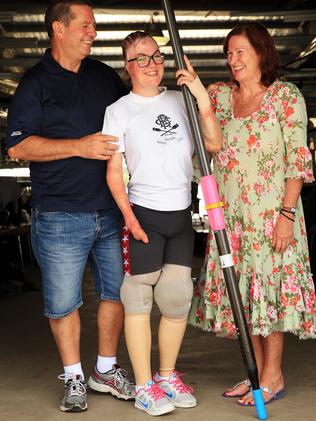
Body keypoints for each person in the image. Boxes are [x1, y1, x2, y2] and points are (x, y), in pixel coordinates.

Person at [5, 0, 134, 413]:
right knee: (63, 303)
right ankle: (75, 377)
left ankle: (106, 370)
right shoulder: (34, 83)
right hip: (60, 214)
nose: (92, 32)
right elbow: (18, 145)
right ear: (58, 29)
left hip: (111, 211)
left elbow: (133, 115)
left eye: (93, 26)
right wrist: (79, 146)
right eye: (85, 25)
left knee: (117, 293)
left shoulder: (104, 76)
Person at [189, 22, 316, 406]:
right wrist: (198, 92)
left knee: (269, 297)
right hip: (232, 219)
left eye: (241, 51)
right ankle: (256, 374)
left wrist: (287, 214)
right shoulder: (220, 97)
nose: (233, 59)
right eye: (229, 53)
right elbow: (204, 148)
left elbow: (297, 159)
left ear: (262, 52)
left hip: (272, 216)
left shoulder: (284, 96)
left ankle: (273, 375)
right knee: (245, 299)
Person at [104, 31, 222, 416]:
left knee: (175, 299)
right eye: (141, 58)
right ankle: (142, 387)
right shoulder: (119, 110)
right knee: (137, 299)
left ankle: (166, 376)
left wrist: (201, 95)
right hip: (144, 215)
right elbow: (114, 172)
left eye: (156, 56)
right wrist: (128, 216)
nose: (152, 63)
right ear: (128, 66)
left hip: (180, 214)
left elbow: (214, 143)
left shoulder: (181, 99)